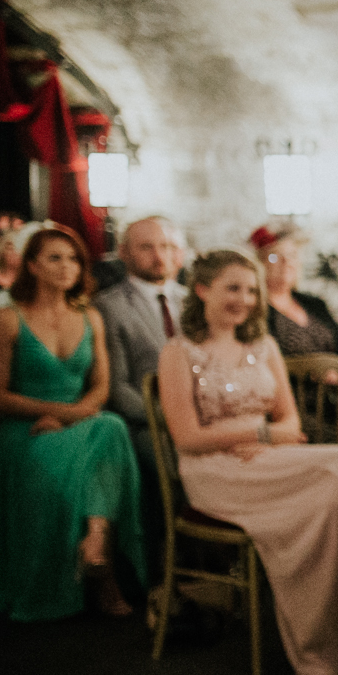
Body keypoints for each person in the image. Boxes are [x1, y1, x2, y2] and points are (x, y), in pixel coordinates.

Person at [157, 248, 338, 675]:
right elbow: (187, 438)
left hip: (263, 456)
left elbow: (288, 420)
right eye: (233, 288)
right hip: (213, 467)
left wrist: (265, 437)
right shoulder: (178, 352)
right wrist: (258, 436)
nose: (246, 299)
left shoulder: (264, 344)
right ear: (202, 290)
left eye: (251, 290)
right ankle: (320, 643)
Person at [0, 224, 145, 620]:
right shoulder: (8, 320)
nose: (67, 267)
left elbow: (100, 387)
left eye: (74, 259)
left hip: (79, 423)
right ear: (32, 265)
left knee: (109, 426)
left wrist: (74, 415)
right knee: (106, 432)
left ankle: (95, 544)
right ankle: (105, 577)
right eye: (55, 258)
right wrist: (61, 414)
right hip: (24, 429)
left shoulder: (89, 317)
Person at [94, 216, 189, 554]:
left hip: (201, 416)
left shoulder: (193, 301)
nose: (158, 255)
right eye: (146, 247)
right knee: (178, 467)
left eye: (166, 246)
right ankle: (174, 561)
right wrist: (171, 419)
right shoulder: (108, 306)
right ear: (124, 252)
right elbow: (117, 388)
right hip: (146, 421)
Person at [249, 225, 338, 399]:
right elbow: (265, 363)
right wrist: (317, 374)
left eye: (291, 255)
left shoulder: (314, 303)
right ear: (261, 264)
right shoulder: (257, 310)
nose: (286, 262)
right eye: (275, 257)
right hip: (299, 402)